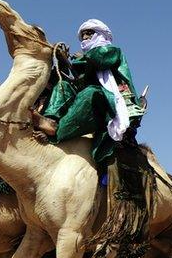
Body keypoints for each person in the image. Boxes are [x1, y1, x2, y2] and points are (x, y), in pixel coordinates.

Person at [33, 20, 144, 168]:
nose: (85, 37)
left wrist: (71, 60)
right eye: (82, 35)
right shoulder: (85, 59)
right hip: (89, 102)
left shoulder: (111, 51)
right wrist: (62, 62)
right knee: (63, 86)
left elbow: (99, 60)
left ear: (100, 34)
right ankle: (50, 121)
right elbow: (78, 80)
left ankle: (57, 133)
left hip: (110, 102)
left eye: (89, 33)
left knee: (91, 93)